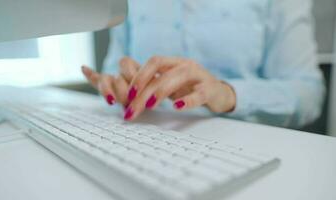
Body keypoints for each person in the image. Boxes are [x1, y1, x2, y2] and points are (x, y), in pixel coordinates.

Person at [81, 0, 325, 128]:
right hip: (142, 137)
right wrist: (119, 85)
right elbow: (115, 67)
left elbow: (308, 92)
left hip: (241, 145)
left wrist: (228, 94)